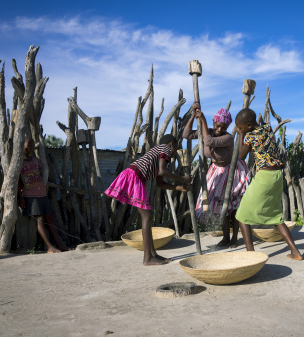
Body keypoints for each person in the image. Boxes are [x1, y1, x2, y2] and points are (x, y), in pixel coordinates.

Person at [105, 134, 190, 265]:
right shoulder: (165, 148)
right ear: (172, 144)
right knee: (147, 216)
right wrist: (182, 178)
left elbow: (160, 183)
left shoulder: (158, 155)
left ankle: (153, 254)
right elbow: (162, 172)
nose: (175, 152)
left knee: (147, 216)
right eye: (176, 148)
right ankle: (147, 258)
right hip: (134, 177)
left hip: (135, 177)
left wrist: (178, 187)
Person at [234, 108, 303, 260]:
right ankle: (295, 252)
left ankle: (251, 254)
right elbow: (257, 126)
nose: (238, 129)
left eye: (240, 127)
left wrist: (241, 136)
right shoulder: (267, 127)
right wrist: (244, 129)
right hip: (277, 175)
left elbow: (241, 155)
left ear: (249, 125)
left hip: (264, 176)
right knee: (276, 217)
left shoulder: (251, 136)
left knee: (241, 215)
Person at [183, 102, 249, 248]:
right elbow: (186, 134)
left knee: (232, 207)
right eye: (217, 126)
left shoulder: (228, 138)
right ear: (214, 122)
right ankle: (225, 238)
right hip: (217, 171)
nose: (219, 129)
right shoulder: (209, 131)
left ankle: (234, 238)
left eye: (223, 127)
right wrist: (194, 116)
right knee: (220, 207)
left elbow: (209, 141)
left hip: (232, 171)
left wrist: (203, 121)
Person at [19, 137, 70, 253]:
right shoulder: (19, 162)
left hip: (42, 193)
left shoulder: (35, 161)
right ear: (21, 145)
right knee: (40, 219)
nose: (31, 147)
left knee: (50, 219)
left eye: (33, 145)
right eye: (29, 145)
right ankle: (49, 246)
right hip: (30, 195)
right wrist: (21, 198)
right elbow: (18, 182)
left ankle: (59, 244)